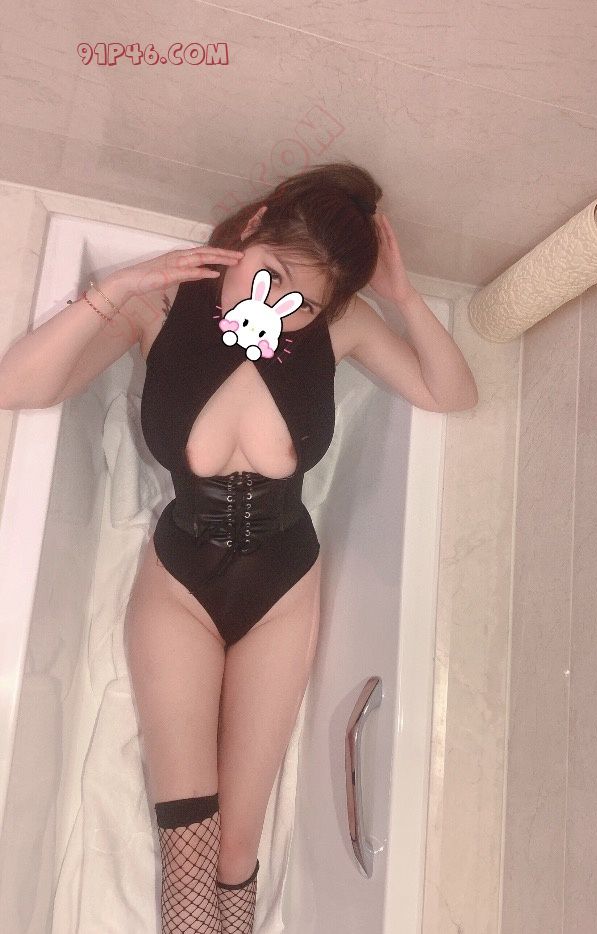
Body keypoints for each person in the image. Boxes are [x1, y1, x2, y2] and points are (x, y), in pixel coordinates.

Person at [0, 160, 478, 933]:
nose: (278, 305)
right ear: (252, 227)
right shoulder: (160, 304)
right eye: (273, 274)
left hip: (282, 588)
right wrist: (116, 288)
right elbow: (17, 385)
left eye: (304, 301)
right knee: (190, 854)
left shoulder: (341, 327)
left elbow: (450, 394)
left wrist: (403, 299)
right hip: (181, 586)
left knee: (235, 854)